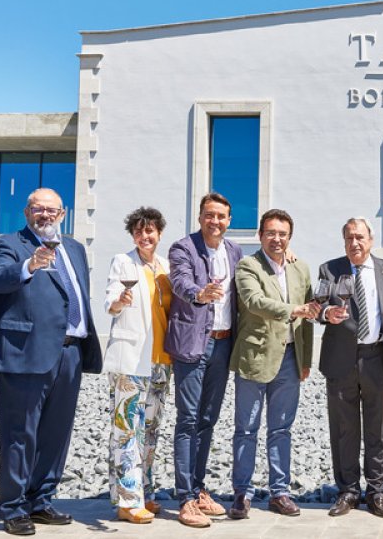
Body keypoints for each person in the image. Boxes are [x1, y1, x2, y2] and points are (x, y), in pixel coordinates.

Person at [0, 188, 103, 536]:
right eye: (38, 209)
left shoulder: (76, 249)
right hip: (25, 352)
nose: (45, 215)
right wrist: (29, 266)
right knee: (20, 433)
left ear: (63, 214)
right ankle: (13, 506)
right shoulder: (9, 244)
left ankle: (42, 499)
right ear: (27, 212)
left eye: (52, 210)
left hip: (70, 352)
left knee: (56, 433)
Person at [227, 209, 319, 519]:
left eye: (282, 234)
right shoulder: (248, 266)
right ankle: (242, 492)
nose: (276, 239)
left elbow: (307, 319)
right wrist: (295, 309)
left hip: (291, 360)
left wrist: (305, 360)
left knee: (281, 429)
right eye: (271, 233)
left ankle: (279, 492)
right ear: (260, 235)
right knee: (246, 429)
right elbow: (254, 302)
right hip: (254, 358)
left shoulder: (300, 268)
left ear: (289, 237)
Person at [317, 217, 383, 518]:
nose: (354, 243)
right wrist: (328, 312)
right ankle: (348, 491)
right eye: (349, 238)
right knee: (344, 429)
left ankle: (378, 492)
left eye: (359, 237)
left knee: (379, 429)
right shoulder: (329, 269)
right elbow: (318, 306)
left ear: (371, 239)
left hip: (377, 358)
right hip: (341, 359)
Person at [166, 192, 243, 528]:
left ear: (229, 220)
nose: (215, 221)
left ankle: (198, 489)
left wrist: (289, 257)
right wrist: (200, 293)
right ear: (200, 217)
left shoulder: (235, 251)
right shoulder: (183, 248)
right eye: (210, 215)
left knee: (208, 419)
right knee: (187, 420)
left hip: (223, 344)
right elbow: (180, 281)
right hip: (192, 346)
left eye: (221, 216)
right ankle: (184, 498)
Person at [101, 207, 173, 524]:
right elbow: (111, 299)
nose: (145, 236)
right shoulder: (123, 261)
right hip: (131, 359)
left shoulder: (167, 268)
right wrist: (120, 302)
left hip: (161, 360)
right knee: (127, 429)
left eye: (151, 231)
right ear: (133, 235)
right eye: (139, 232)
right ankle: (128, 501)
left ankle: (143, 490)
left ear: (159, 234)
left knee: (151, 431)